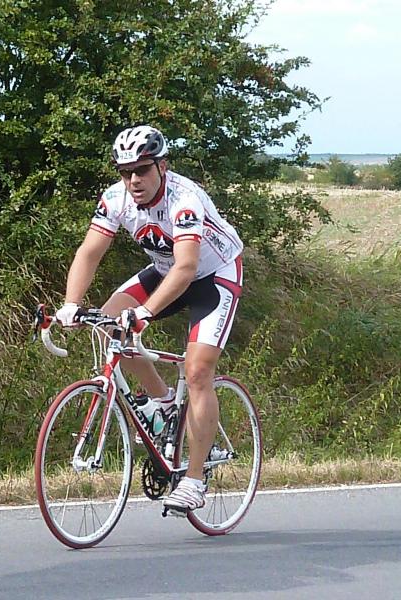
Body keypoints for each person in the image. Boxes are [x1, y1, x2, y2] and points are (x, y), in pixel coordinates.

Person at [55, 125, 243, 516]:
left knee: (198, 371)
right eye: (126, 172)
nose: (134, 180)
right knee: (108, 323)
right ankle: (163, 402)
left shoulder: (183, 199)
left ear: (162, 166)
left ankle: (193, 481)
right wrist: (71, 304)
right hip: (164, 271)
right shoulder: (115, 199)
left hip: (214, 275)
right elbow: (89, 253)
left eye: (142, 170)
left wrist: (144, 313)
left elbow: (187, 267)